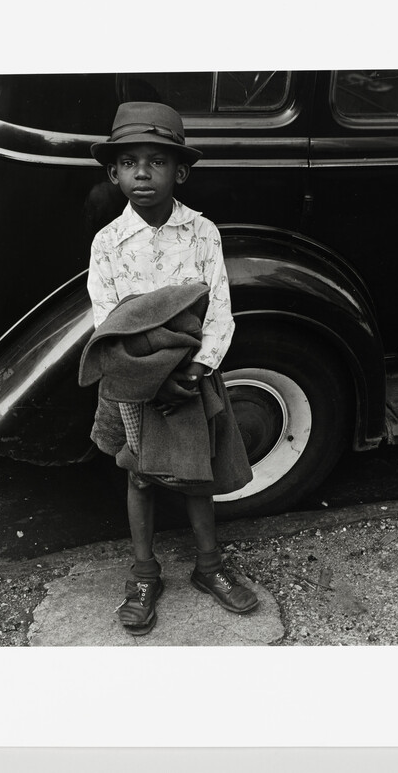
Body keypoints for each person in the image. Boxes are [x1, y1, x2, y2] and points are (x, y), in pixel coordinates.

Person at [84, 101, 258, 636]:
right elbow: (107, 321)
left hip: (192, 378)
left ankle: (209, 568)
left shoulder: (202, 234)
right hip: (135, 379)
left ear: (179, 171)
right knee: (139, 474)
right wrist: (148, 375)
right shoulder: (109, 243)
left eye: (156, 161)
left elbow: (222, 311)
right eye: (129, 162)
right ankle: (144, 576)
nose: (142, 172)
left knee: (195, 473)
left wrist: (198, 371)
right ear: (113, 173)